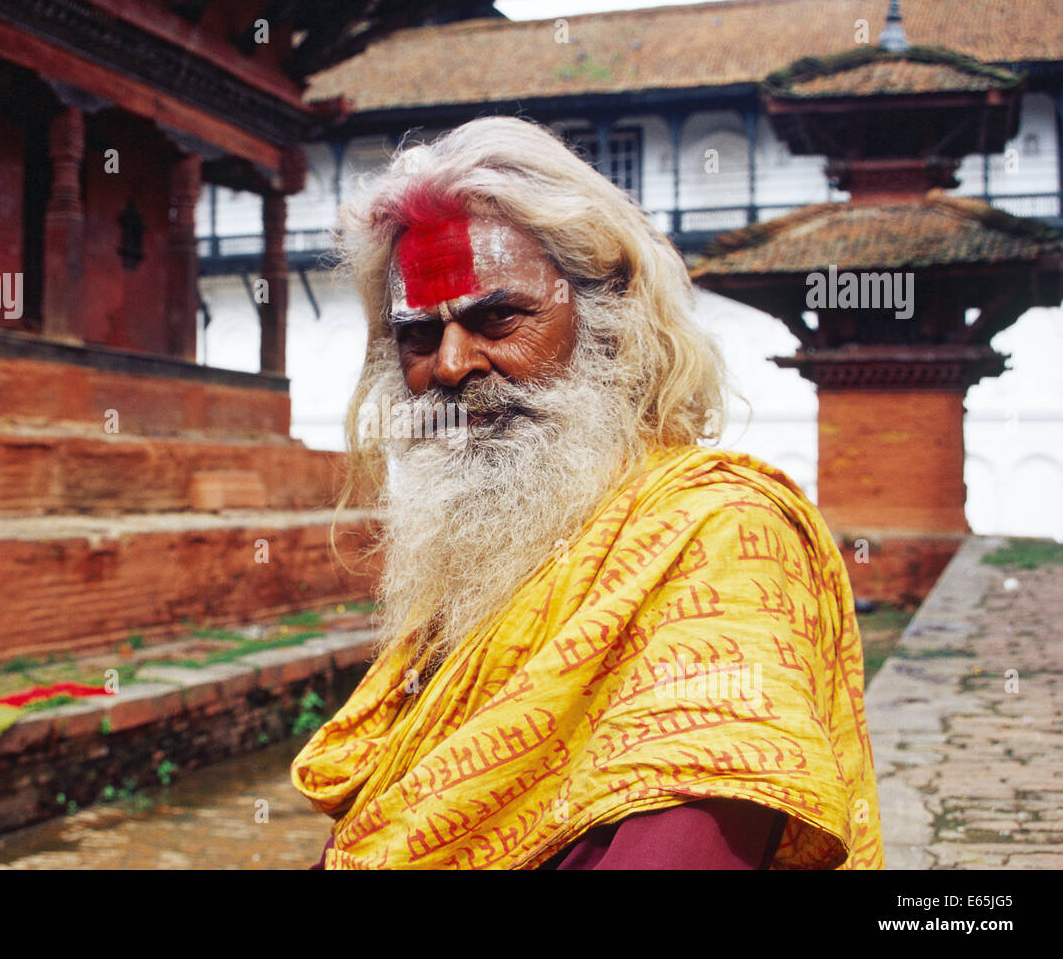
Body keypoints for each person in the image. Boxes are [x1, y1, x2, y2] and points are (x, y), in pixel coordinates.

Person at [291, 116, 884, 870]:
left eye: (498, 316)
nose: (448, 366)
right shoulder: (477, 573)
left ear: (610, 319)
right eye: (416, 335)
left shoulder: (723, 536)